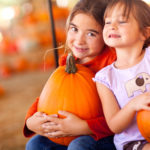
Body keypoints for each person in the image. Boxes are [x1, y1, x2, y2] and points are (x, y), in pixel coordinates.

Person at [24, 0, 117, 150]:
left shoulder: (112, 65)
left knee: (78, 146)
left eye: (91, 33)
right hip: (68, 133)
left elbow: (121, 117)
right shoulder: (68, 63)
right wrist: (31, 121)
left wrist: (83, 127)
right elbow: (47, 97)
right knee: (36, 144)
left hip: (104, 135)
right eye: (74, 29)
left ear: (107, 34)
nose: (79, 40)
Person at [93, 0, 150, 150]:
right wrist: (133, 105)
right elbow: (114, 125)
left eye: (122, 21)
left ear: (145, 33)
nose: (112, 25)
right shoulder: (105, 78)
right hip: (134, 142)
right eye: (108, 21)